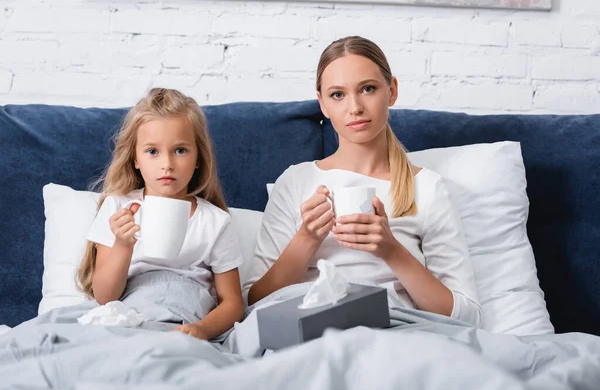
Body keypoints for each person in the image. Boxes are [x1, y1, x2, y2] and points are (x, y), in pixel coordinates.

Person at [245, 36, 482, 327]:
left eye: (367, 89)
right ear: (322, 104)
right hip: (311, 332)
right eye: (337, 95)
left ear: (392, 91)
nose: (354, 107)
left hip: (394, 333)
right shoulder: (296, 181)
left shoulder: (427, 188)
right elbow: (253, 304)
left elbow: (466, 316)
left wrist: (390, 250)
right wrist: (306, 238)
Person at [77, 88, 244, 340]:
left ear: (198, 157)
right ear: (135, 158)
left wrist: (202, 330)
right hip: (129, 318)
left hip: (185, 319)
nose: (167, 163)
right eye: (152, 151)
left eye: (180, 150)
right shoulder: (117, 207)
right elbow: (104, 297)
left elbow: (232, 303)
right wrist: (123, 245)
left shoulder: (215, 222)